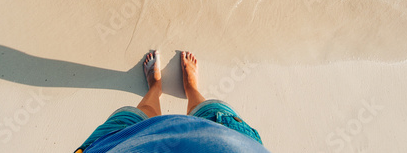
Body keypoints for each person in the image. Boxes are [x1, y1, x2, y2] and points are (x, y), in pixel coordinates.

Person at [74, 51, 269, 152]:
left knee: (141, 117)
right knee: (203, 112)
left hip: (112, 145)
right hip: (226, 140)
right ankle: (190, 88)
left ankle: (156, 87)